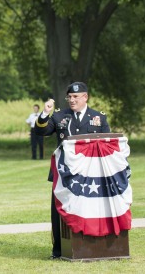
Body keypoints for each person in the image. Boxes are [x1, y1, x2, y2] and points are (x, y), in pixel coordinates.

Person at [34, 82, 110, 259]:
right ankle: (59, 250)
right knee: (60, 211)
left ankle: (90, 246)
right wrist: (45, 113)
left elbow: (107, 144)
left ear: (85, 97)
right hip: (63, 174)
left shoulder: (98, 118)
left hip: (89, 175)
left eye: (76, 97)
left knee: (89, 210)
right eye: (69, 97)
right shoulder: (60, 115)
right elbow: (41, 131)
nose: (72, 100)